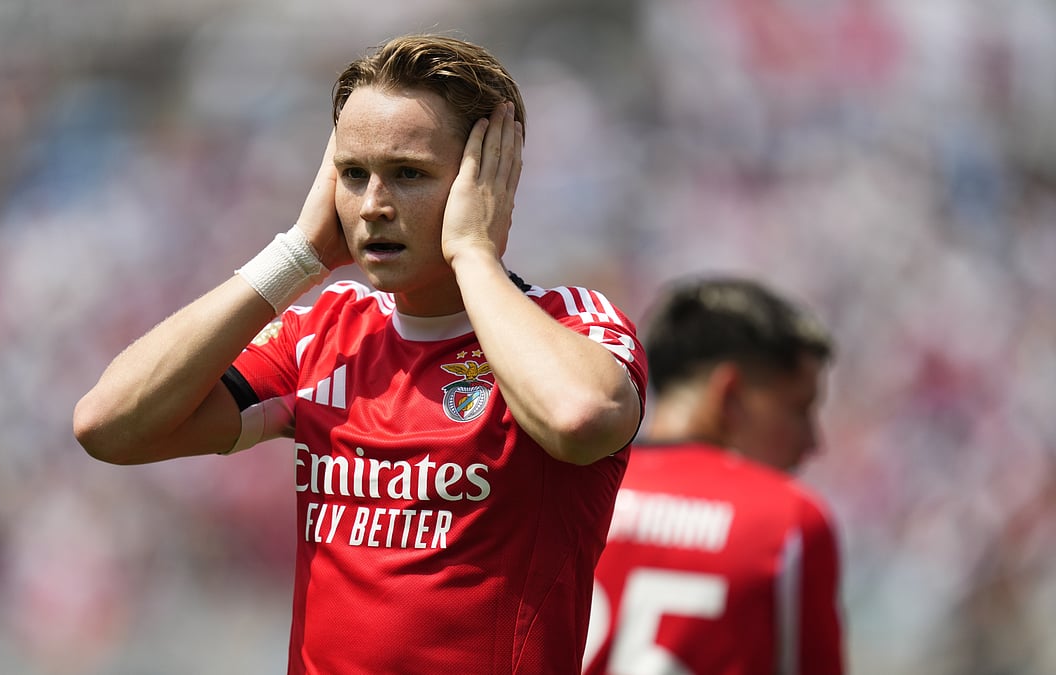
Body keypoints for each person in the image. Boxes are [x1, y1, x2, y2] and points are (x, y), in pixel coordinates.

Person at [73, 34, 647, 673]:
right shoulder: (323, 334)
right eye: (352, 174)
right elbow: (109, 426)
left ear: (483, 181)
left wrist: (473, 251)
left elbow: (580, 419)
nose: (372, 205)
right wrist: (297, 256)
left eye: (408, 173)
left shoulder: (571, 324)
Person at [582, 275, 845, 675]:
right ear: (730, 395)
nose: (813, 441)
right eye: (799, 408)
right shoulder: (788, 521)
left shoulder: (578, 492)